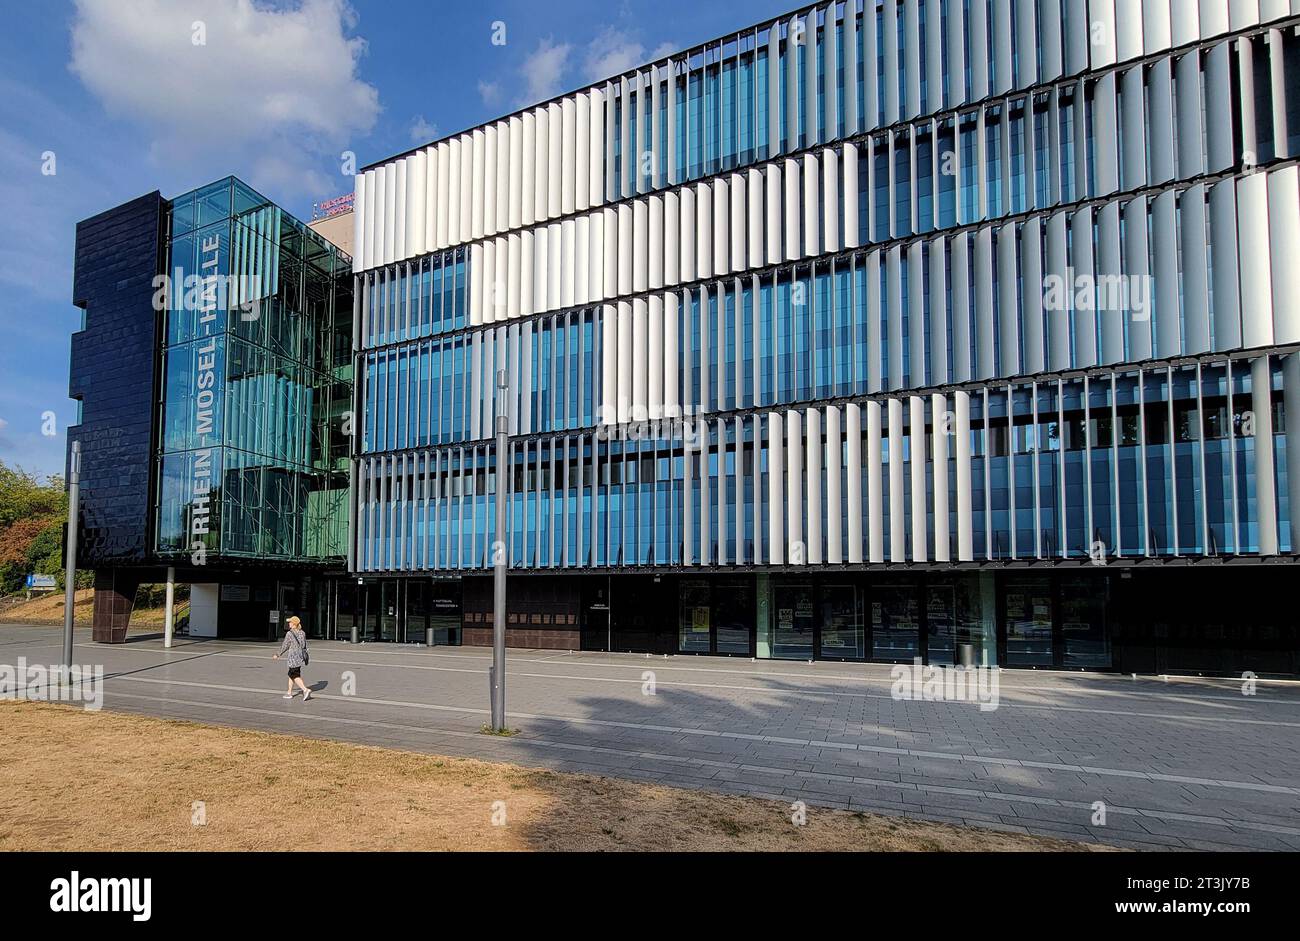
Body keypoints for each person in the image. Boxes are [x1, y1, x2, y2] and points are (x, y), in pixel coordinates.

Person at [273, 615, 312, 700]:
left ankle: (305, 690)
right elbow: (305, 645)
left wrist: (277, 654)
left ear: (294, 624)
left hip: (293, 658)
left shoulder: (290, 633)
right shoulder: (302, 632)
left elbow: (285, 646)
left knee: (293, 674)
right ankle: (289, 692)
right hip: (300, 657)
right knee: (293, 673)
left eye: (290, 622)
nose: (289, 623)